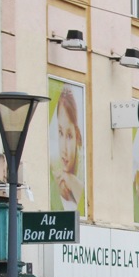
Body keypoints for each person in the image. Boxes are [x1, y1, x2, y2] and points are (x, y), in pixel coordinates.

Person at [51, 85, 86, 213]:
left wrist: (71, 180)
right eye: (60, 133)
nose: (64, 148)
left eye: (69, 136)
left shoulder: (82, 173)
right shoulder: (54, 178)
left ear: (77, 136)